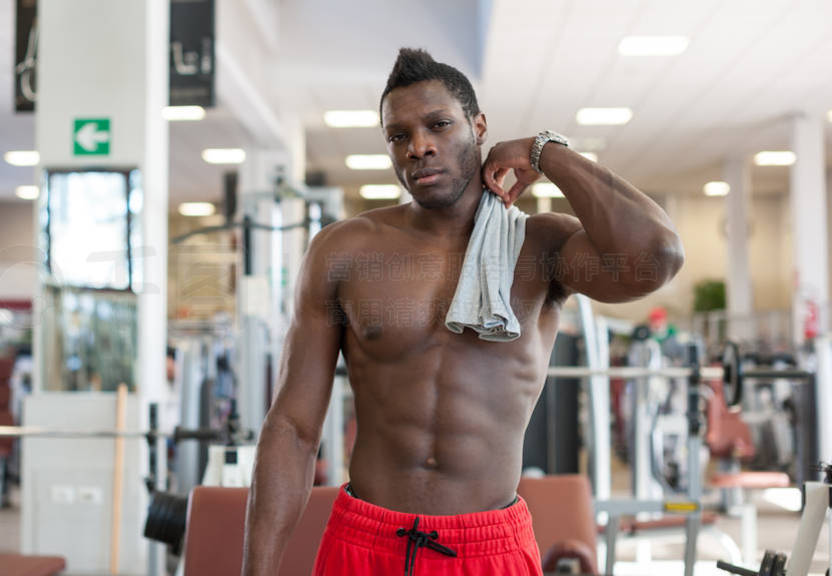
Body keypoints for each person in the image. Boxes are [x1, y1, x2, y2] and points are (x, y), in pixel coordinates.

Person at [241, 48, 684, 576]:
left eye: (438, 125)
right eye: (398, 135)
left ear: (478, 127)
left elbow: (657, 257)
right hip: (365, 539)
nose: (418, 147)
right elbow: (292, 428)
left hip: (488, 546)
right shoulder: (344, 251)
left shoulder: (541, 247)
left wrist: (546, 153)